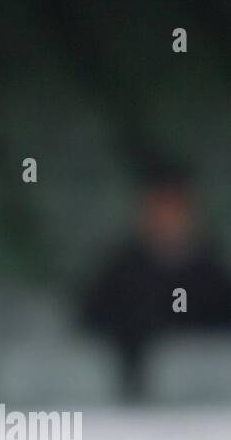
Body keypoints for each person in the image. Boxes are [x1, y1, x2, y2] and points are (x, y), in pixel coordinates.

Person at [81, 162, 231, 399]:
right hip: (133, 399)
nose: (167, 217)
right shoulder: (118, 272)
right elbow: (93, 328)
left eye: (175, 207)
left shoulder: (212, 274)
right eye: (160, 206)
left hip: (207, 401)